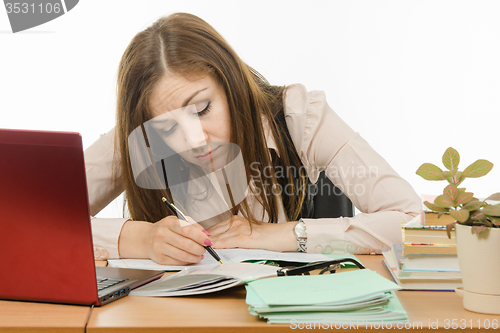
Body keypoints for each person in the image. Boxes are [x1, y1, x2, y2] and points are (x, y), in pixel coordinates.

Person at [85, 12, 421, 265]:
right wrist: (138, 239)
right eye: (169, 129)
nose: (194, 141)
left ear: (230, 84)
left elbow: (410, 220)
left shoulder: (299, 116)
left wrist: (279, 234)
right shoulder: (141, 135)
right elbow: (35, 221)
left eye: (202, 109)